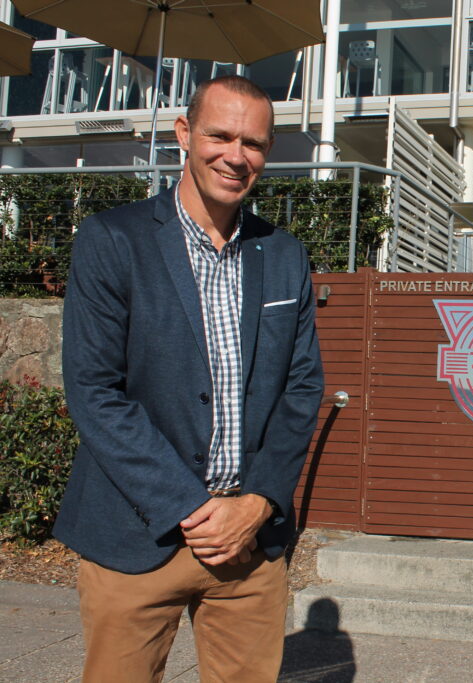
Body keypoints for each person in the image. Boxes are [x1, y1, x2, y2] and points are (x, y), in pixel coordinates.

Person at [56, 75, 324, 682]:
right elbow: (95, 392)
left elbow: (301, 388)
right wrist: (194, 507)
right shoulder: (111, 240)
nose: (236, 155)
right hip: (137, 538)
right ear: (184, 134)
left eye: (254, 142)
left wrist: (256, 504)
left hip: (249, 548)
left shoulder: (283, 254)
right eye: (220, 135)